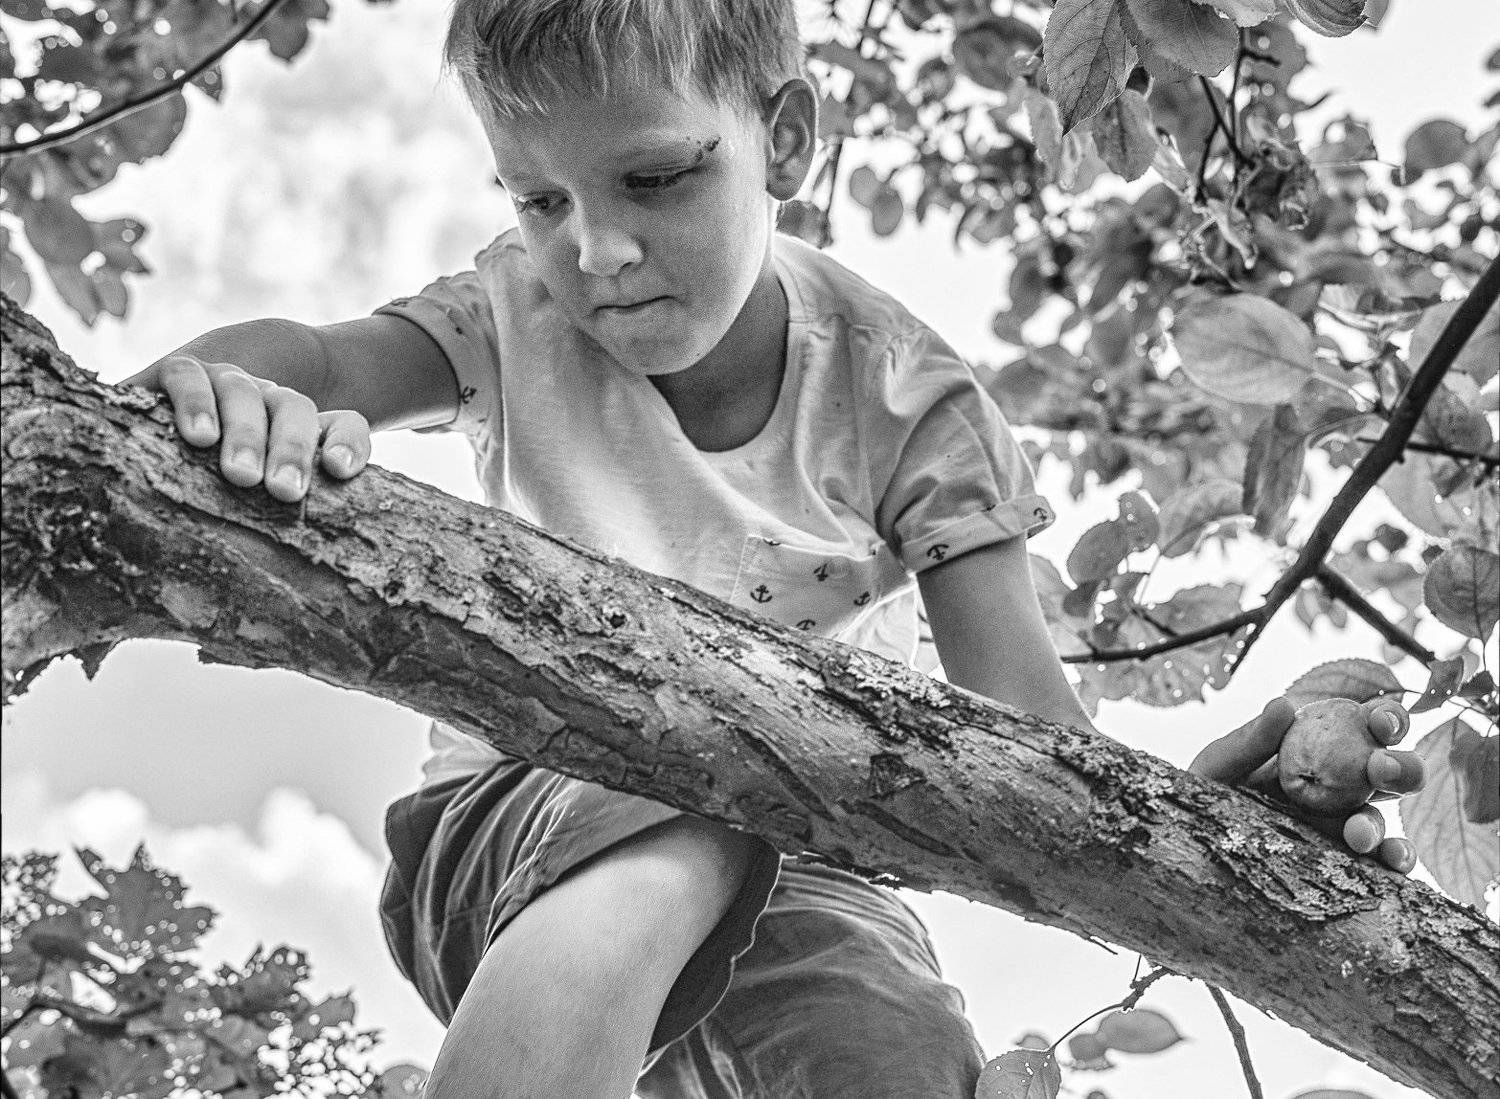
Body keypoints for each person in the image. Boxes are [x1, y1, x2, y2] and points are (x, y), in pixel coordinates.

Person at [127, 1, 1426, 1095]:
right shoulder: (513, 316)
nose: (595, 250)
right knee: (697, 799)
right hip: (510, 824)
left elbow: (1038, 745)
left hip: (816, 863)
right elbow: (322, 361)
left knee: (899, 1051)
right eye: (538, 198)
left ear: (787, 140)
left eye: (653, 178)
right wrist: (220, 387)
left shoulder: (909, 404)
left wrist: (1205, 825)